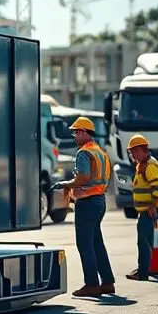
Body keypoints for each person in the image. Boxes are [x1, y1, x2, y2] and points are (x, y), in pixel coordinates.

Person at [53, 116, 115, 298]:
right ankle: (107, 282)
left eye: (77, 132)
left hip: (87, 204)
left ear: (84, 133)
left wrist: (66, 184)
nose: (75, 136)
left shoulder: (84, 153)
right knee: (97, 243)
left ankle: (91, 285)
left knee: (84, 244)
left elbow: (83, 177)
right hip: (99, 201)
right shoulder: (100, 152)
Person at [124, 134, 158, 281]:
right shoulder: (143, 164)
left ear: (142, 150)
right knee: (145, 240)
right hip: (146, 209)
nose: (132, 155)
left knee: (143, 241)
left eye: (134, 151)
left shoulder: (150, 166)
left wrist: (152, 206)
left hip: (149, 209)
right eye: (130, 152)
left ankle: (142, 273)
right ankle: (143, 269)